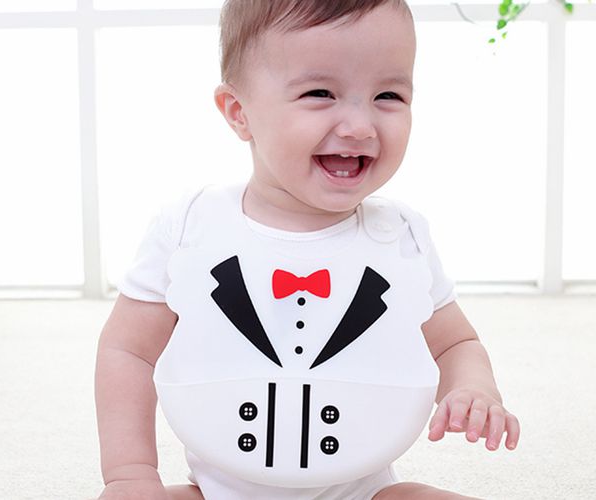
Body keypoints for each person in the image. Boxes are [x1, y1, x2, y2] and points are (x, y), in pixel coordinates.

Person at [95, 1, 520, 499]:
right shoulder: (190, 227)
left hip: (360, 491)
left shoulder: (401, 236)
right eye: (320, 93)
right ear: (239, 112)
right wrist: (130, 474)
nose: (360, 126)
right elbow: (128, 351)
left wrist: (473, 387)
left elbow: (454, 343)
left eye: (388, 95)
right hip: (218, 492)